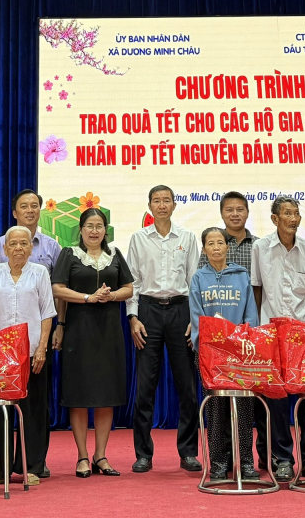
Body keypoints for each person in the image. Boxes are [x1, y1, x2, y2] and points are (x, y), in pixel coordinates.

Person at [0, 189, 63, 477]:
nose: (19, 249)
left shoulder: (40, 273)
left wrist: (42, 348)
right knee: (0, 409)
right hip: (0, 352)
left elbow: (48, 312)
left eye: (24, 244)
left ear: (31, 248)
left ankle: (31, 466)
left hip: (33, 351)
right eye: (13, 244)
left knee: (33, 409)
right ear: (4, 248)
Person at [251, 196, 305, 482]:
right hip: (271, 332)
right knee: (277, 399)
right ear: (275, 219)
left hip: (304, 332)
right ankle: (282, 458)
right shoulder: (260, 248)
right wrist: (257, 330)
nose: (293, 218)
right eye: (287, 213)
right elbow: (257, 289)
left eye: (296, 213)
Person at [52, 208, 133, 477]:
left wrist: (111, 296)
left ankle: (101, 455)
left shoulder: (115, 255)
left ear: (105, 230)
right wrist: (88, 298)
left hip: (109, 332)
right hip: (78, 330)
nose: (94, 231)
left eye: (99, 226)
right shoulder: (69, 254)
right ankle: (82, 456)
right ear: (81, 229)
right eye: (89, 226)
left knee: (105, 395)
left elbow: (129, 288)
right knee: (79, 395)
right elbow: (58, 289)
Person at [126, 186, 200, 473]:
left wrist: (195, 318)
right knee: (145, 387)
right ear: (149, 206)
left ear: (174, 205)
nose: (161, 205)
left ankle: (188, 452)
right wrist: (133, 317)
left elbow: (194, 280)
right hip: (148, 311)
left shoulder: (187, 237)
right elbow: (133, 281)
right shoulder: (139, 238)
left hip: (181, 311)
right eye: (156, 201)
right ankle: (143, 454)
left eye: (166, 200)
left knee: (187, 387)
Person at [190, 227, 260, 480]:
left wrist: (243, 342)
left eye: (220, 242)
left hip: (239, 352)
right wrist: (207, 345)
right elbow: (197, 316)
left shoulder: (242, 276)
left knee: (244, 408)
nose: (216, 247)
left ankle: (246, 462)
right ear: (204, 249)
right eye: (211, 243)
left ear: (227, 247)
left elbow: (250, 314)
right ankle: (218, 463)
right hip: (210, 354)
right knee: (216, 409)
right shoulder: (198, 278)